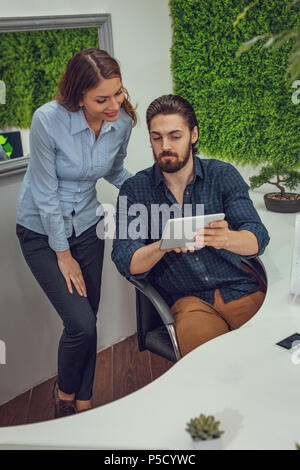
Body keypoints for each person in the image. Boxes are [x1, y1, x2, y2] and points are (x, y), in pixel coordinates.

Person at [16, 48, 136, 417]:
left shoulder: (123, 122)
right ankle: (64, 395)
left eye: (118, 93)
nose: (114, 104)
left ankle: (84, 400)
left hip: (87, 225)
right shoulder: (48, 120)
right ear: (77, 96)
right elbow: (45, 193)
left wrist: (151, 189)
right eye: (102, 99)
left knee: (90, 316)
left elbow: (115, 171)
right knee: (80, 323)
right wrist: (62, 254)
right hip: (41, 231)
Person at [111, 94, 270, 357]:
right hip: (189, 303)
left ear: (193, 135)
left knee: (270, 355)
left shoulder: (222, 175)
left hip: (239, 291)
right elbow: (126, 260)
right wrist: (164, 245)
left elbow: (258, 237)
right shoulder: (136, 190)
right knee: (210, 367)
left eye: (175, 136)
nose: (165, 146)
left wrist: (226, 238)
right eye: (157, 137)